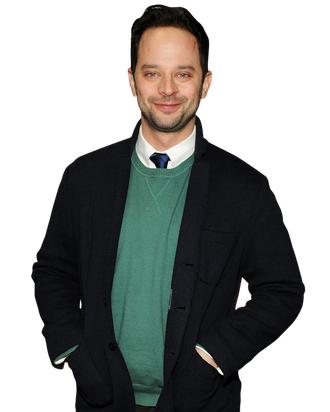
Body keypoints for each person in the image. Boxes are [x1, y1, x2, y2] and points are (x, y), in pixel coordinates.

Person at [31, 5, 305, 412]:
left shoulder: (245, 187)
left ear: (206, 83)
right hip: (100, 400)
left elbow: (283, 291)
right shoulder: (84, 177)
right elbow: (52, 271)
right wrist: (73, 350)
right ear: (131, 81)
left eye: (183, 73)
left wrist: (212, 360)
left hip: (203, 403)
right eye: (152, 72)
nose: (167, 89)